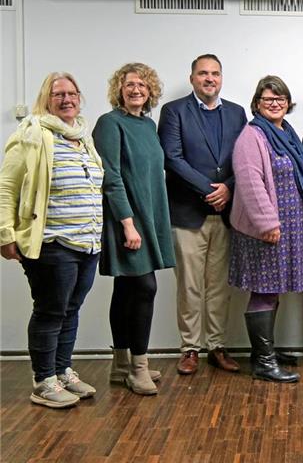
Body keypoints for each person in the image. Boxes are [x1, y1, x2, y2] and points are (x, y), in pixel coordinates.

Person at [0, 73, 103, 408]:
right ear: (46, 98)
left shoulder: (82, 137)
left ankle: (61, 371)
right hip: (52, 243)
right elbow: (7, 187)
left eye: (72, 93)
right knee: (50, 310)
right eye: (58, 93)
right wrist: (5, 233)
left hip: (87, 242)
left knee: (70, 310)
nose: (66, 99)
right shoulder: (30, 135)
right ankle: (43, 380)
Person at [158, 54, 247, 376]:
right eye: (203, 73)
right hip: (188, 214)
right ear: (193, 77)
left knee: (219, 286)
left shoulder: (237, 113)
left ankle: (217, 346)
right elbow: (172, 158)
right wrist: (211, 189)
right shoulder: (174, 111)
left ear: (221, 78)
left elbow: (245, 159)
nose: (209, 79)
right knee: (190, 286)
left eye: (215, 73)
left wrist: (228, 188)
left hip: (225, 215)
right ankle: (190, 348)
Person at [93, 63, 175, 396]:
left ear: (150, 90)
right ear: (119, 89)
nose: (136, 89)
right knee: (144, 288)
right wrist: (128, 224)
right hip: (127, 220)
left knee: (127, 290)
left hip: (149, 217)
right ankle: (138, 368)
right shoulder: (110, 124)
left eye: (142, 84)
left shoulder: (147, 125)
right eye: (129, 84)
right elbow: (110, 177)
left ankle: (121, 365)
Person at [229, 75, 303, 383]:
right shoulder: (253, 135)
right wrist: (267, 223)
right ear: (257, 104)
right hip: (265, 229)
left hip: (288, 226)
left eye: (280, 99)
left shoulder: (286, 133)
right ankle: (264, 362)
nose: (275, 104)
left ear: (288, 103)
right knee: (264, 289)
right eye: (268, 99)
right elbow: (250, 182)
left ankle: (264, 352)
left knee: (273, 289)